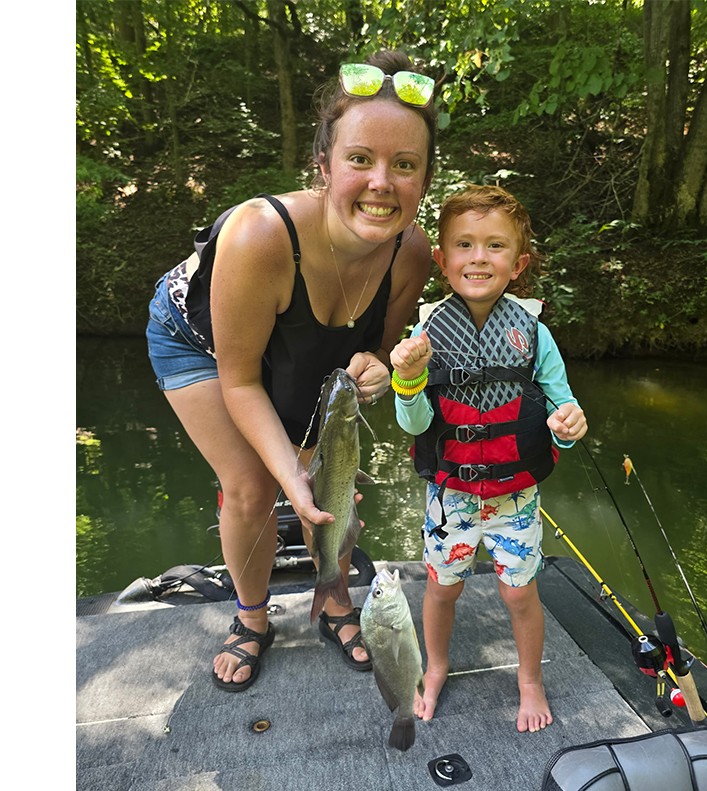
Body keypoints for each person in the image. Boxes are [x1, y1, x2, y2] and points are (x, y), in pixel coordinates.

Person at [145, 50, 437, 691]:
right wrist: (290, 472)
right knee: (255, 484)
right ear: (324, 165)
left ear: (424, 177)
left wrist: (379, 369)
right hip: (201, 344)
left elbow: (375, 353)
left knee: (326, 480)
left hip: (306, 348)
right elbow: (241, 379)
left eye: (405, 165)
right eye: (360, 159)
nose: (382, 182)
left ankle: (332, 601)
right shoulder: (260, 234)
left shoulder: (413, 253)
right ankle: (252, 620)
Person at [389, 184, 588, 732]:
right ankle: (435, 669)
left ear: (518, 263)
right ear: (442, 259)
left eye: (495, 246)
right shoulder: (424, 335)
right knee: (441, 589)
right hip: (450, 497)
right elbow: (415, 425)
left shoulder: (535, 333)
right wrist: (407, 379)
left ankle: (529, 680)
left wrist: (569, 427)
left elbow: (562, 406)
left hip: (516, 499)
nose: (479, 257)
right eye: (465, 245)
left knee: (518, 593)